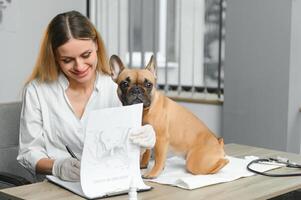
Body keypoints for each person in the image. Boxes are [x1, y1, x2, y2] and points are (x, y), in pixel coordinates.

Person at [17, 10, 156, 182]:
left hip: (110, 182)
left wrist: (144, 137)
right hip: (57, 188)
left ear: (96, 45)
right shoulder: (37, 91)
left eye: (86, 55)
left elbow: (128, 145)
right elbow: (28, 153)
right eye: (67, 60)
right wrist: (57, 166)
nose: (80, 66)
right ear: (55, 57)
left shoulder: (117, 87)